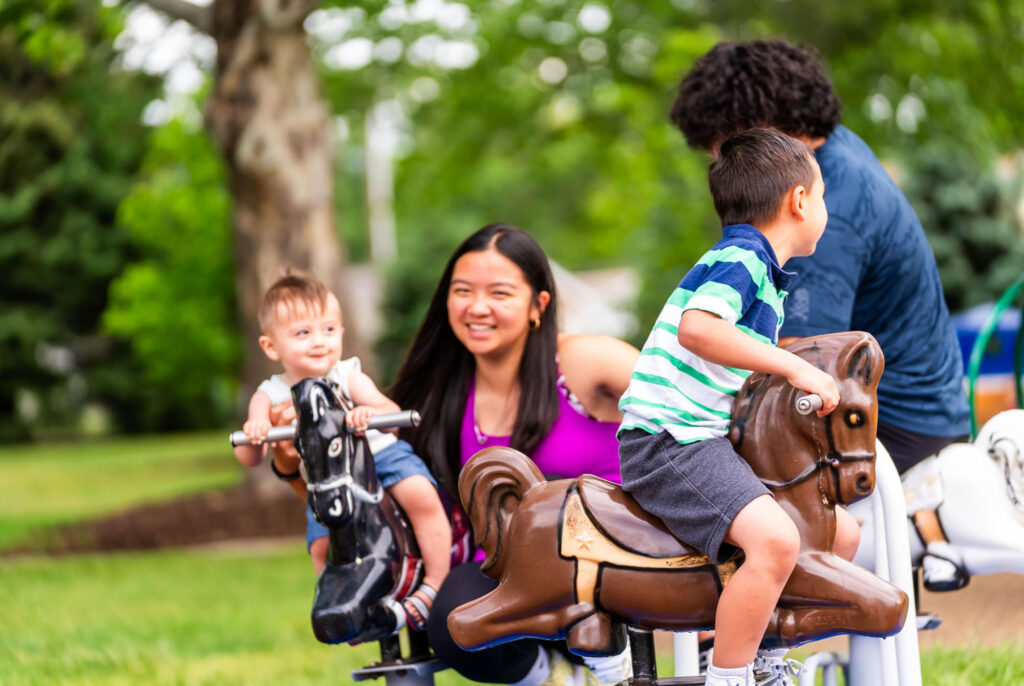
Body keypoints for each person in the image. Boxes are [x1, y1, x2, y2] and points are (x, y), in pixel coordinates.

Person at [669, 39, 972, 591]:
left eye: (722, 143)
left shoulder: (818, 212)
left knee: (702, 458)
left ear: (758, 124)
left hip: (894, 419)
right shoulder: (831, 160)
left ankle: (734, 629)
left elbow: (802, 351)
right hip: (911, 402)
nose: (719, 161)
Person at [618, 128, 860, 686]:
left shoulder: (759, 272)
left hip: (705, 438)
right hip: (669, 441)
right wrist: (796, 366)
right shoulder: (743, 258)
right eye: (822, 196)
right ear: (800, 201)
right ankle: (731, 677)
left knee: (838, 533)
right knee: (776, 539)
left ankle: (769, 656)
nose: (824, 208)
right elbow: (699, 328)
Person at [389, 224, 640, 686]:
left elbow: (687, 402)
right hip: (517, 586)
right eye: (462, 291)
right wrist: (289, 460)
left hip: (615, 572)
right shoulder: (440, 392)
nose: (477, 307)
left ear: (538, 305)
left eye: (499, 293)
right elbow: (378, 474)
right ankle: (560, 681)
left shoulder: (584, 363)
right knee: (454, 616)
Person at [232, 273, 451, 630]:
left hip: (380, 458)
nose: (319, 342)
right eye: (303, 333)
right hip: (328, 480)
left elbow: (390, 414)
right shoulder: (270, 393)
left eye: (329, 329)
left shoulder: (348, 375)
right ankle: (340, 610)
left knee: (422, 497)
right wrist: (255, 432)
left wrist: (370, 414)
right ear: (271, 347)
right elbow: (249, 457)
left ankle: (435, 583)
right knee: (321, 544)